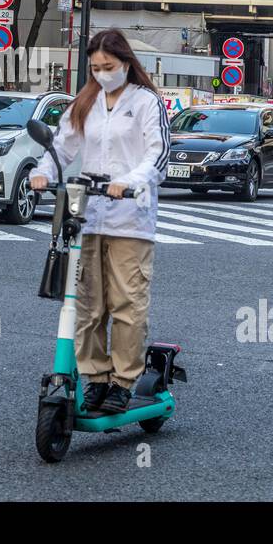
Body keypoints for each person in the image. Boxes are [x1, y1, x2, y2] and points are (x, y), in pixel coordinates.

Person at [29, 29, 170, 416]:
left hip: (130, 218)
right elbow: (59, 146)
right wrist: (42, 173)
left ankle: (124, 382)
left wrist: (130, 182)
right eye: (96, 68)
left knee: (127, 304)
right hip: (87, 216)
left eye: (109, 66)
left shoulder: (145, 103)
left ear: (126, 63)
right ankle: (94, 378)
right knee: (86, 305)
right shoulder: (85, 101)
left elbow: (158, 156)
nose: (103, 73)